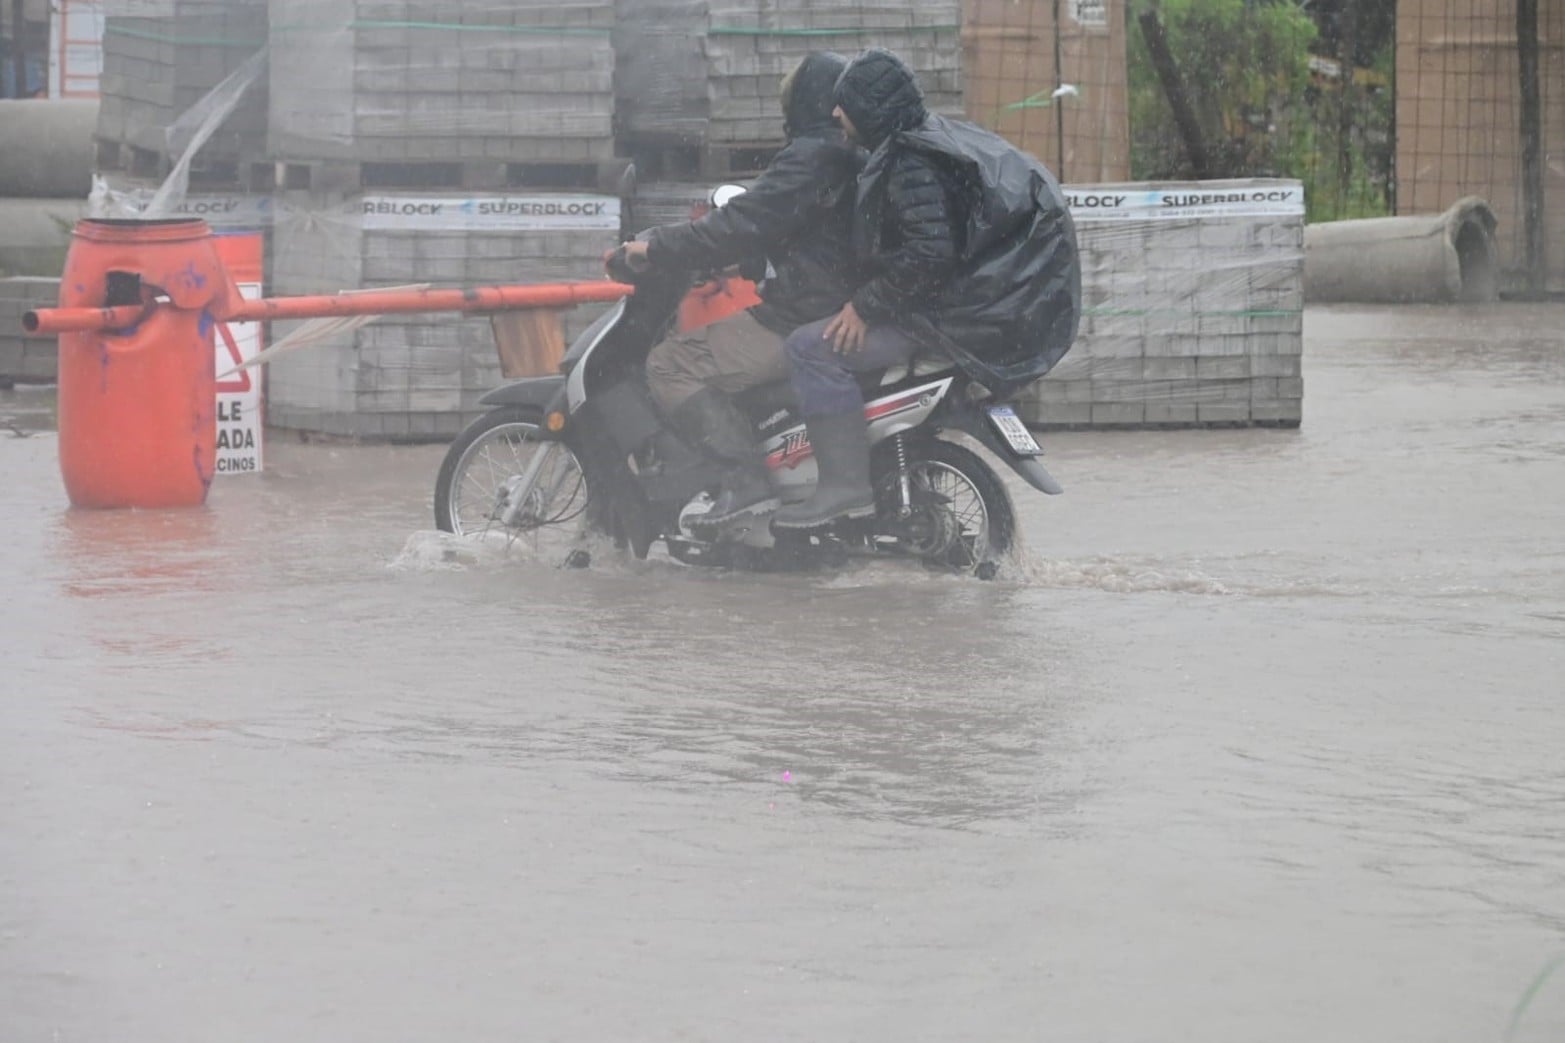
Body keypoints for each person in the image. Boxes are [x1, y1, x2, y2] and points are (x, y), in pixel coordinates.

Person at [772, 48, 1081, 531]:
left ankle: (842, 488)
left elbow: (930, 254)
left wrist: (864, 305)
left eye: (844, 103)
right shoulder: (930, 137)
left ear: (870, 110)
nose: (835, 113)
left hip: (946, 318)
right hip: (980, 307)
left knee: (810, 348)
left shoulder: (909, 163)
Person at [612, 51, 865, 532]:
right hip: (833, 302)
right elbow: (797, 234)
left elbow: (742, 220)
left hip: (802, 315)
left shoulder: (812, 155)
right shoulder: (847, 153)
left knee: (670, 363)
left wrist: (654, 248)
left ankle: (744, 480)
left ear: (804, 101)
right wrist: (736, 258)